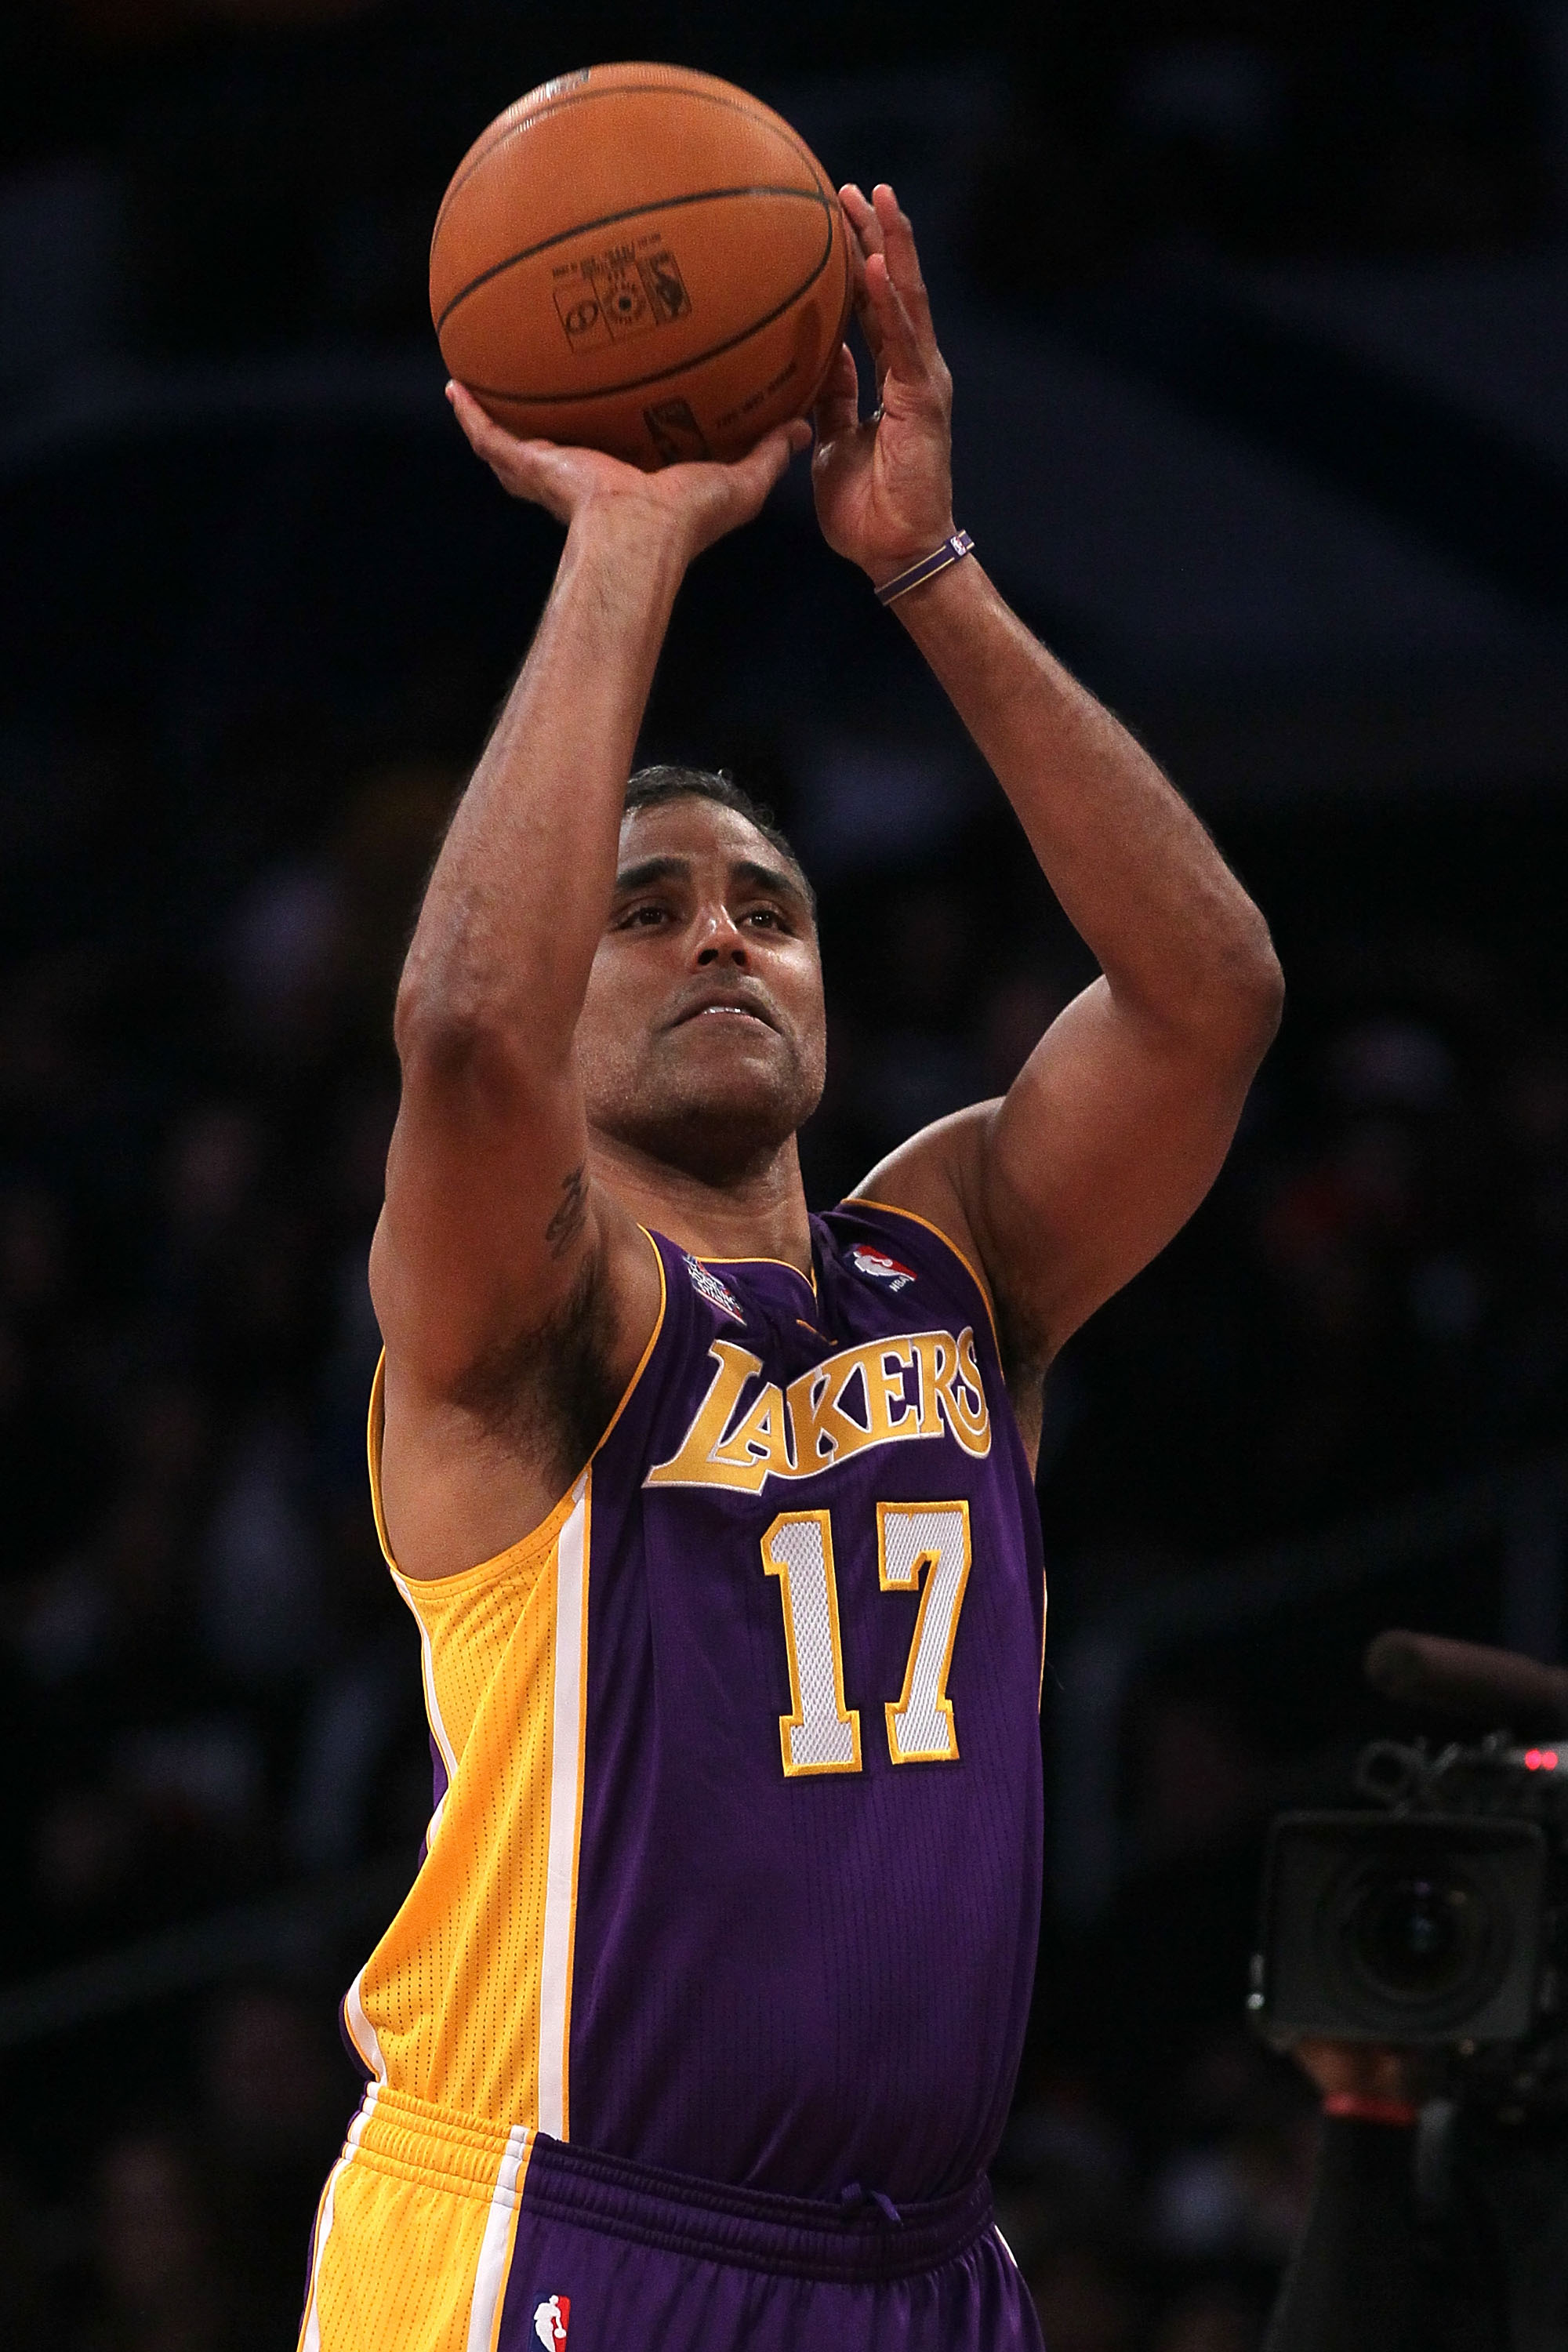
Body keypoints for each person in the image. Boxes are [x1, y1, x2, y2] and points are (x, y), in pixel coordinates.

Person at [296, 182, 1283, 2352]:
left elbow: (1210, 998)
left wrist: (924, 564)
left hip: (924, 2261)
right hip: (565, 2235)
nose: (721, 930)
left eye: (765, 901)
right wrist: (627, 540)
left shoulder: (957, 1259)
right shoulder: (543, 1324)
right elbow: (464, 1032)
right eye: (644, 908)